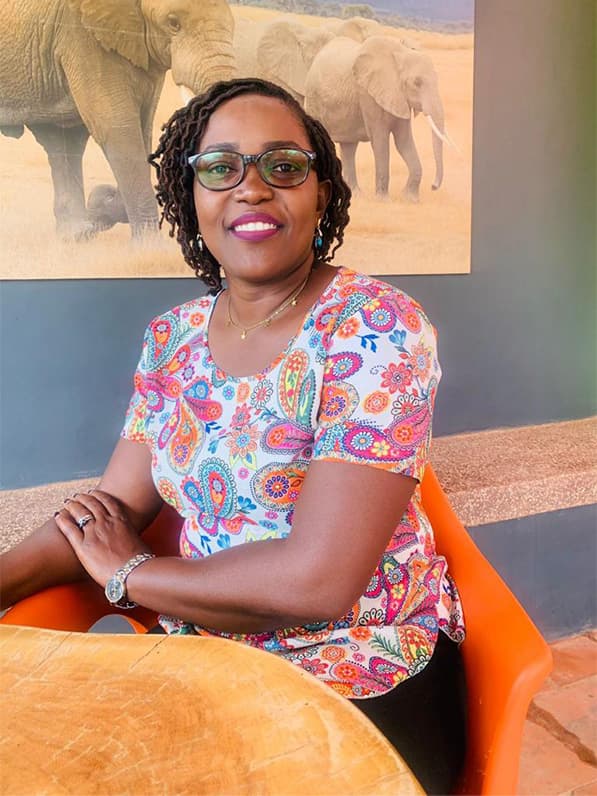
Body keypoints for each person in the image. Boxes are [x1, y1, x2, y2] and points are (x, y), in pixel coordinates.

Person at [0, 78, 465, 793]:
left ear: (319, 193)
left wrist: (132, 577)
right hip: (204, 659)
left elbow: (317, 583)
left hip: (359, 668)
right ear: (191, 199)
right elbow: (109, 515)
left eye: (282, 165)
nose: (250, 187)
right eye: (219, 168)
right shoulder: (172, 340)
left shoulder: (374, 325)